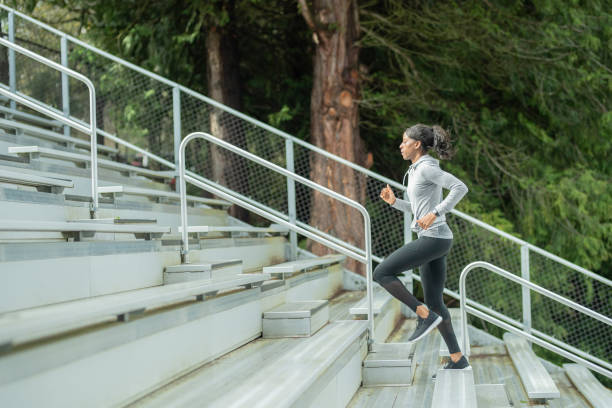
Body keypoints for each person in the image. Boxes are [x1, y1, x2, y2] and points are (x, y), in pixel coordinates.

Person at [375, 124, 470, 370]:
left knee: (382, 273)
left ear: (417, 144)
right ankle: (458, 358)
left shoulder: (427, 168)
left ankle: (422, 313)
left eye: (404, 141)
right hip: (435, 238)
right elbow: (418, 212)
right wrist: (396, 203)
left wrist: (437, 213)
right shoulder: (416, 170)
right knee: (437, 302)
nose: (400, 145)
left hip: (434, 238)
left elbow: (460, 188)